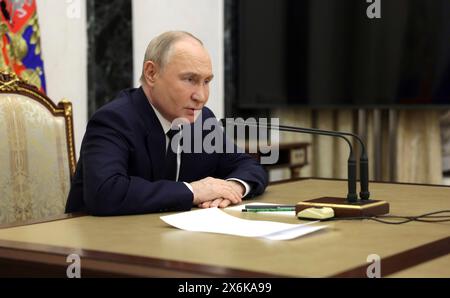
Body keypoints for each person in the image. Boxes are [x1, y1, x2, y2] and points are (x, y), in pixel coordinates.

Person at [65, 31, 268, 216]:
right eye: (190, 79)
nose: (202, 96)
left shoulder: (202, 120)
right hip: (103, 245)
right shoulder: (114, 120)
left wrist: (233, 187)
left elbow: (248, 165)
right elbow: (106, 192)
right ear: (151, 73)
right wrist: (194, 191)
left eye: (206, 81)